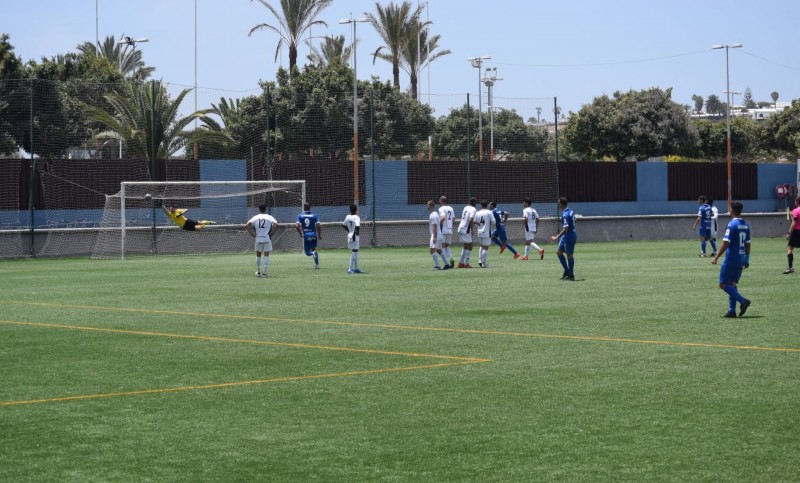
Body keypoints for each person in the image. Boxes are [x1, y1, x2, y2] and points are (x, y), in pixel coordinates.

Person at [711, 201, 751, 317]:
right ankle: (731, 311)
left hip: (731, 259)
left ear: (732, 210)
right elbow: (748, 244)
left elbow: (725, 243)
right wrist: (747, 259)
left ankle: (743, 301)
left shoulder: (731, 225)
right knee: (732, 284)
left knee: (723, 284)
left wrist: (716, 257)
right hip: (741, 258)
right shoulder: (746, 224)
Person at [245, 203, 278, 278]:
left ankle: (258, 272)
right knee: (266, 255)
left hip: (258, 238)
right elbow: (277, 225)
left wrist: (252, 234)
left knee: (258, 255)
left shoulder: (255, 217)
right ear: (265, 209)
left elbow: (246, 225)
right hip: (266, 238)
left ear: (259, 209)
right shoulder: (269, 217)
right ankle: (265, 273)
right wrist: (272, 234)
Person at [551, 197, 577, 280]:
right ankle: (567, 271)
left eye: (558, 203)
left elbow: (566, 229)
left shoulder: (565, 215)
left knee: (569, 255)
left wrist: (556, 237)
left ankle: (571, 275)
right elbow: (573, 218)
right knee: (559, 252)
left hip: (569, 236)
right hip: (567, 236)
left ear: (561, 204)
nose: (558, 204)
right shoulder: (570, 210)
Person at [295, 202, 321, 269]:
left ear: (303, 207)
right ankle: (317, 265)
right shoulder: (314, 215)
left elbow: (297, 226)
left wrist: (300, 233)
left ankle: (313, 253)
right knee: (314, 249)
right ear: (310, 207)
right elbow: (318, 225)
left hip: (306, 235)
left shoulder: (300, 216)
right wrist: (319, 235)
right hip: (314, 234)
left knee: (307, 253)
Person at [473, 200, 496, 268]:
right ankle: (484, 263)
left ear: (481, 205)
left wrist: (480, 226)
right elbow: (493, 222)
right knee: (486, 247)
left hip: (479, 231)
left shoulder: (477, 213)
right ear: (487, 205)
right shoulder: (489, 212)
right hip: (486, 232)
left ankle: (480, 260)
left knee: (482, 246)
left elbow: (475, 222)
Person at [457, 197, 478, 268]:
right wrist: (472, 229)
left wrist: (475, 222)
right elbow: (470, 219)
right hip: (466, 229)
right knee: (470, 246)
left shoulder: (465, 207)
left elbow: (467, 218)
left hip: (460, 227)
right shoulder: (474, 209)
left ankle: (461, 263)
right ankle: (466, 264)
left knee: (465, 246)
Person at [428, 200, 448, 270]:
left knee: (432, 250)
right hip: (439, 234)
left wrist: (434, 237)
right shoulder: (436, 213)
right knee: (439, 250)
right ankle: (447, 264)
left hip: (435, 235)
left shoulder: (432, 215)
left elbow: (435, 226)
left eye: (428, 205)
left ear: (430, 206)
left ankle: (438, 266)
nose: (427, 207)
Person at [342, 204, 362, 274]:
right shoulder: (357, 217)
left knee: (355, 252)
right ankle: (350, 269)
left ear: (350, 210)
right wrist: (356, 232)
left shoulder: (347, 216)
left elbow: (343, 225)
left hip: (350, 235)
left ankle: (356, 268)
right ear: (356, 210)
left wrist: (350, 231)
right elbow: (357, 226)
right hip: (354, 236)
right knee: (354, 252)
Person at [438, 195, 455, 268]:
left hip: (444, 229)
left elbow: (443, 217)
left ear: (441, 201)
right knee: (446, 245)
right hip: (450, 229)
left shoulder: (441, 208)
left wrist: (438, 224)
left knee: (443, 246)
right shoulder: (451, 208)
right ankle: (451, 258)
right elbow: (453, 219)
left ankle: (446, 263)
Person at [784, 196, 800, 274]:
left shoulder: (795, 211)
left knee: (790, 248)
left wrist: (789, 232)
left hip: (797, 231)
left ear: (797, 202)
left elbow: (794, 222)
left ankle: (790, 268)